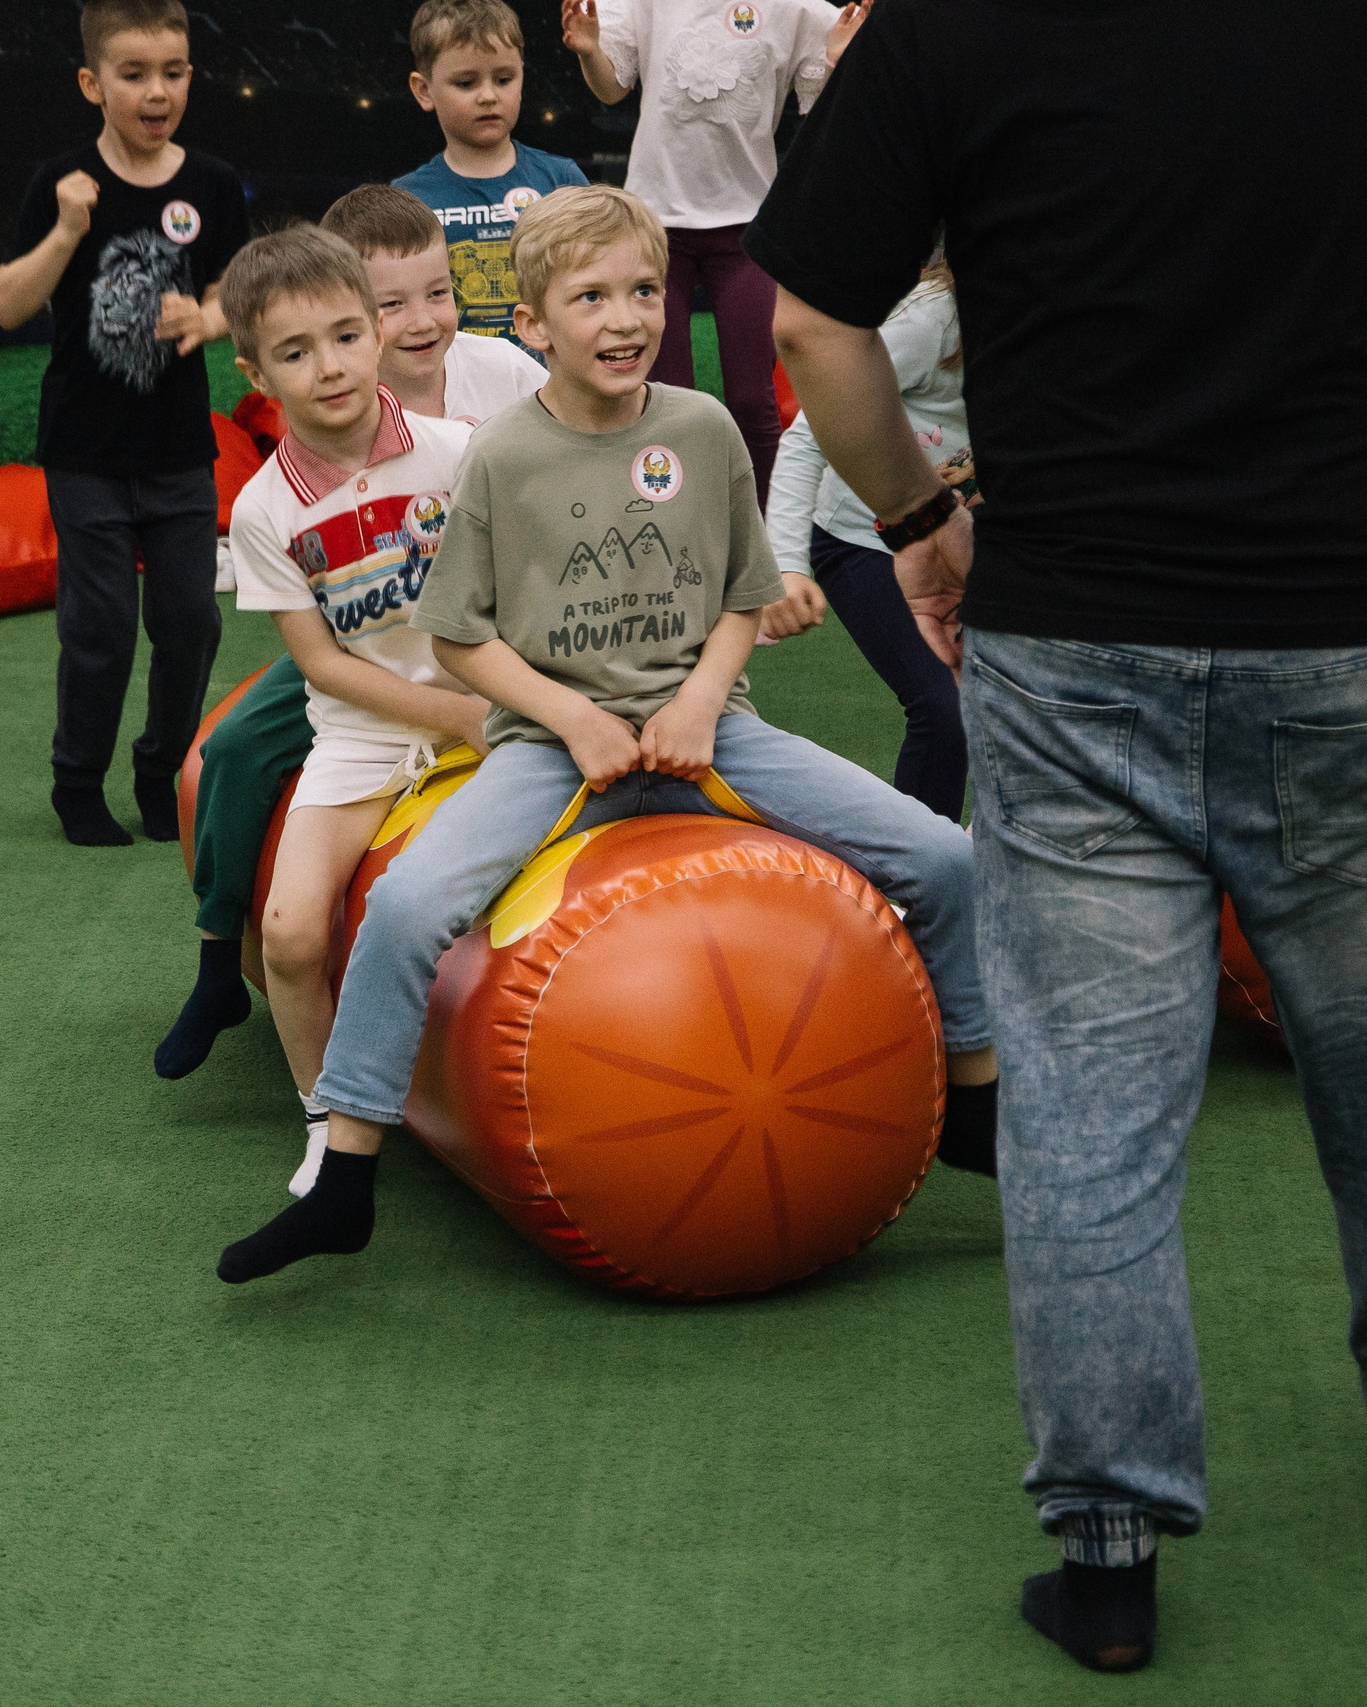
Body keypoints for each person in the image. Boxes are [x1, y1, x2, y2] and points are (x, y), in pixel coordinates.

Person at [750, 0, 1367, 1674]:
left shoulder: (947, 25)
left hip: (1080, 635)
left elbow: (819, 325)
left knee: (1088, 1100)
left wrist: (919, 524)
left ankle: (1109, 1536)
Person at [217, 185, 999, 1289]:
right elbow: (456, 641)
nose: (625, 316)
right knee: (401, 906)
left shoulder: (703, 428)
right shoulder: (495, 457)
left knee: (947, 858)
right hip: (547, 746)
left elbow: (741, 594)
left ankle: (973, 1097)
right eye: (590, 297)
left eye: (641, 290)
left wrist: (697, 703)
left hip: (710, 726)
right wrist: (570, 716)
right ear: (532, 326)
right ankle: (345, 1171)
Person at [155, 190, 545, 1089]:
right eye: (395, 302)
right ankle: (222, 955)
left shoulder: (493, 386)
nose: (420, 322)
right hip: (363, 645)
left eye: (436, 295)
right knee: (238, 748)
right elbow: (322, 655)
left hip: (462, 634)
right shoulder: (281, 483)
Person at [206, 225, 495, 1191]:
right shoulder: (262, 509)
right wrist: (441, 716)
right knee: (289, 931)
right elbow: (320, 665)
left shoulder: (460, 453)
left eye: (342, 336)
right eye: (294, 352)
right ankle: (328, 1118)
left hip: (492, 705)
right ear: (254, 370)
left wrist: (487, 704)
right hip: (366, 734)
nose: (327, 367)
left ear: (376, 332)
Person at [0, 0, 249, 847]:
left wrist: (210, 320)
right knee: (97, 627)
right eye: (133, 75)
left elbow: (231, 292)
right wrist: (68, 229)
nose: (156, 91)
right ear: (91, 83)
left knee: (189, 621)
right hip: (85, 452)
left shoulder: (209, 183)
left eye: (172, 73)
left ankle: (162, 769)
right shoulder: (61, 184)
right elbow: (6, 305)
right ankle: (77, 784)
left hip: (178, 451)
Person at [560, 0, 870, 498]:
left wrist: (838, 64)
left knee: (753, 399)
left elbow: (821, 118)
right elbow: (612, 88)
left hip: (746, 228)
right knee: (666, 398)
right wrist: (590, 50)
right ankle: (681, 518)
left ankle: (764, 533)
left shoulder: (798, 8)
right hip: (655, 228)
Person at [761, 267, 968, 821]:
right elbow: (809, 432)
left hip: (966, 543)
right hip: (863, 541)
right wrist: (785, 563)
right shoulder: (934, 318)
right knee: (946, 712)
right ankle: (922, 883)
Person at [393, 0, 589, 348]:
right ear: (424, 90)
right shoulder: (405, 200)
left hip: (552, 389)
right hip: (455, 390)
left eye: (504, 79)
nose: (488, 96)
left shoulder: (562, 180)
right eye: (466, 83)